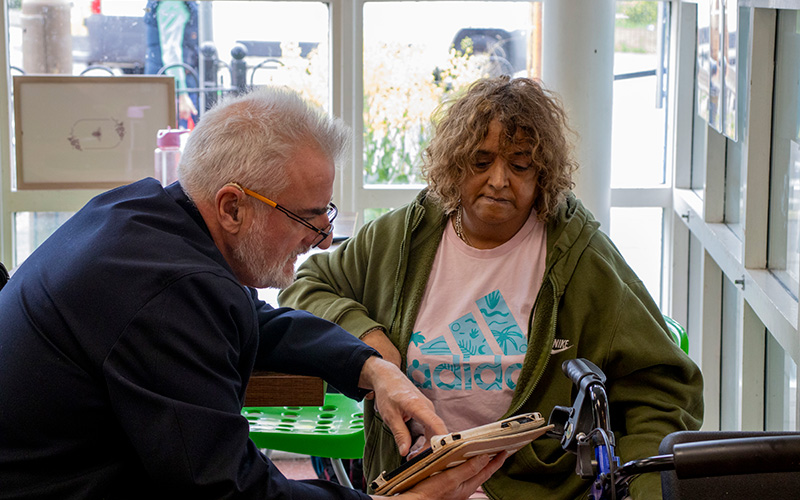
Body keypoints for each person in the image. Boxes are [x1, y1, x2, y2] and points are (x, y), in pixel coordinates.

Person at [0, 87, 508, 499]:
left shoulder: (147, 218)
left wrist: (372, 369)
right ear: (233, 207)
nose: (325, 238)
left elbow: (253, 320)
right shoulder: (169, 291)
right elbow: (228, 490)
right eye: (307, 216)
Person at [279, 75, 704, 499]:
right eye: (481, 162)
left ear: (543, 174)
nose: (499, 180)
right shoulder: (403, 237)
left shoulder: (581, 256)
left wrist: (645, 488)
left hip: (536, 490)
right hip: (411, 484)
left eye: (519, 165)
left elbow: (664, 387)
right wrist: (368, 340)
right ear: (454, 163)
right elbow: (307, 285)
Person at [145, 0, 200, 128]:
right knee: (177, 141)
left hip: (169, 84)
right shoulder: (172, 4)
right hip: (173, 87)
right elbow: (171, 51)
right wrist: (181, 93)